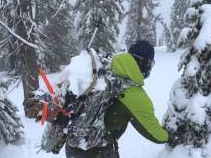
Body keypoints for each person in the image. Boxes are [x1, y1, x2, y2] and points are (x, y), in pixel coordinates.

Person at [27, 40, 169, 158]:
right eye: (150, 63)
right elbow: (156, 135)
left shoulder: (106, 69)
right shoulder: (134, 95)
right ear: (144, 63)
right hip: (97, 151)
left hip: (73, 147)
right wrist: (172, 135)